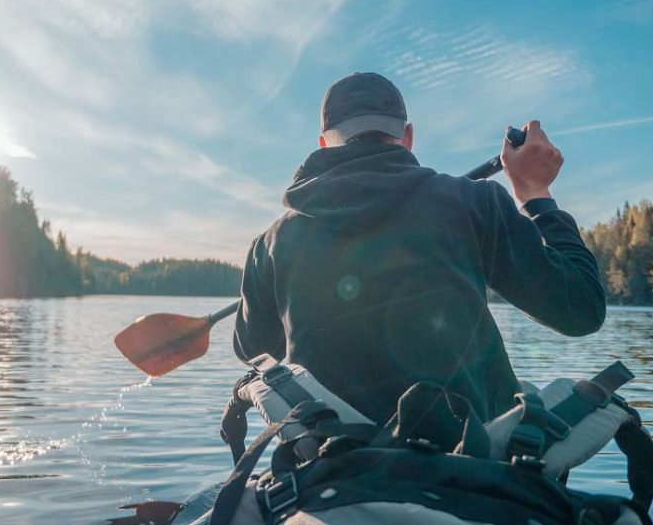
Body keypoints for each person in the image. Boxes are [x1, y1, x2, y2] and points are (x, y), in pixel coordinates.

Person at [232, 72, 606, 425]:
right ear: (408, 136)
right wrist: (535, 194)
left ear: (324, 142)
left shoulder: (270, 244)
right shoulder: (476, 203)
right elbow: (581, 309)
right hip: (468, 462)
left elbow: (255, 350)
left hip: (328, 462)